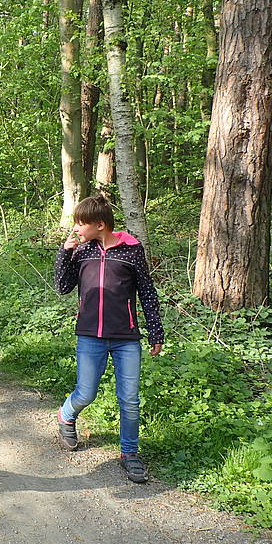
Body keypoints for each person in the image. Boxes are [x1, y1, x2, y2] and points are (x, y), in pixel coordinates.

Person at [54, 195, 164, 483]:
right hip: (90, 335)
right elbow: (62, 287)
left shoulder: (132, 250)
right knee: (86, 393)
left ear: (100, 224)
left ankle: (130, 453)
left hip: (126, 337)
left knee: (129, 400)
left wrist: (156, 331)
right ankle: (66, 415)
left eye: (81, 223)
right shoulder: (81, 251)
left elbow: (147, 292)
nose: (76, 228)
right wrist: (65, 252)